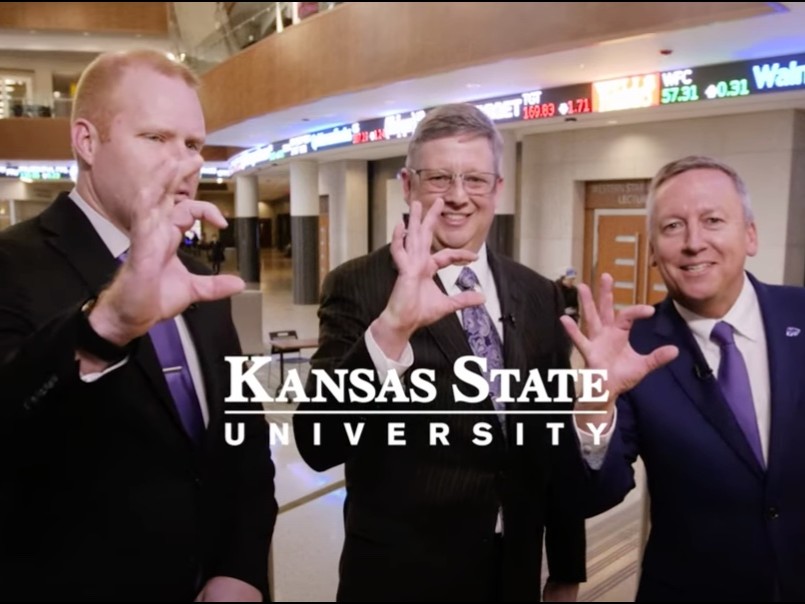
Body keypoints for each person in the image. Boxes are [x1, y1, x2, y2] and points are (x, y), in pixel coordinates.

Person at [0, 50, 277, 601]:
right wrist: (104, 328)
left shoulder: (202, 281)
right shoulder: (12, 265)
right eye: (156, 138)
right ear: (86, 141)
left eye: (193, 144)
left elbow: (245, 445)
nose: (185, 164)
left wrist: (241, 570)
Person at [293, 103, 587, 601]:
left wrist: (565, 568)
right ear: (407, 185)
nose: (457, 197)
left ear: (498, 189)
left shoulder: (538, 294)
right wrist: (392, 329)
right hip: (402, 579)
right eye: (438, 179)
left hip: (512, 575)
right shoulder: (360, 286)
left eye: (475, 179)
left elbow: (552, 441)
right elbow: (319, 443)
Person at [563, 155, 805, 601]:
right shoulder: (632, 348)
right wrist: (596, 399)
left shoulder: (800, 314)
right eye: (673, 227)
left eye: (713, 220)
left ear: (750, 234)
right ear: (653, 250)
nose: (694, 243)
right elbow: (593, 495)